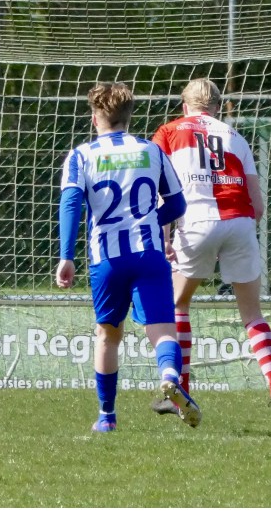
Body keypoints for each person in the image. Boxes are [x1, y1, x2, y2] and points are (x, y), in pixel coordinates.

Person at [150, 77, 271, 424]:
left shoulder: (168, 133)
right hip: (240, 221)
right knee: (252, 313)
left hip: (196, 221)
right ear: (217, 107)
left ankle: (180, 393)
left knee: (177, 304)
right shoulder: (235, 137)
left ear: (184, 107)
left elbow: (163, 193)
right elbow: (258, 205)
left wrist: (166, 237)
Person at [55, 81, 199, 432]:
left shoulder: (81, 155)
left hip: (107, 259)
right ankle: (168, 375)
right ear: (128, 116)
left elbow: (71, 203)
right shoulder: (151, 151)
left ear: (95, 118)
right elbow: (178, 204)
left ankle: (107, 416)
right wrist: (149, 221)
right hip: (149, 254)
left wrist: (66, 256)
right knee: (163, 330)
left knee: (107, 335)